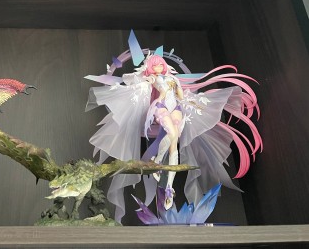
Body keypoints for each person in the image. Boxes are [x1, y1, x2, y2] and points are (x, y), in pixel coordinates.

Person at [85, 31, 262, 223]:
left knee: (174, 140)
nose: (159, 67)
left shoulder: (173, 79)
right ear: (151, 67)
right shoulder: (152, 79)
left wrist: (193, 103)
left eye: (161, 64)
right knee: (170, 132)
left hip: (176, 108)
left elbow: (181, 96)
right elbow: (134, 81)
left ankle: (168, 185)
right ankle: (157, 161)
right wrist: (144, 82)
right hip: (160, 107)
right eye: (155, 65)